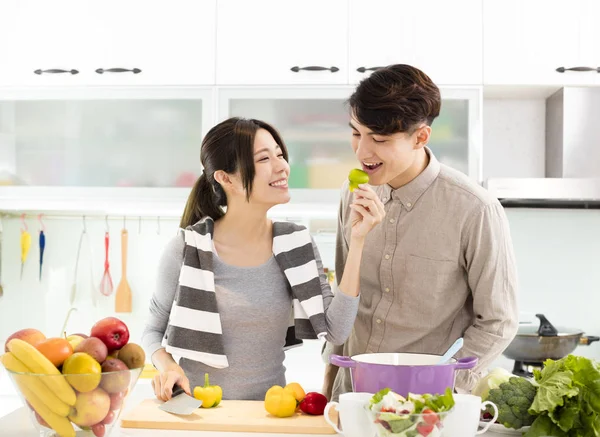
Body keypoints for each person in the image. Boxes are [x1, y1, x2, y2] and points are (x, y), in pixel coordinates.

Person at [142, 117, 384, 401]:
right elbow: (152, 331)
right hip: (197, 414)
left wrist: (358, 241)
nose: (281, 166)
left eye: (280, 154)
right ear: (225, 178)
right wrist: (168, 366)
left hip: (270, 415)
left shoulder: (295, 244)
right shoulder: (188, 249)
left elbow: (336, 331)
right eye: (264, 159)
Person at [323, 64, 519, 401]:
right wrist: (329, 381)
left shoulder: (475, 209)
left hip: (428, 409)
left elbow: (498, 321)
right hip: (351, 396)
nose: (362, 151)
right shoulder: (351, 193)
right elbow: (345, 296)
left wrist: (442, 386)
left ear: (421, 137)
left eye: (379, 140)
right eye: (357, 132)